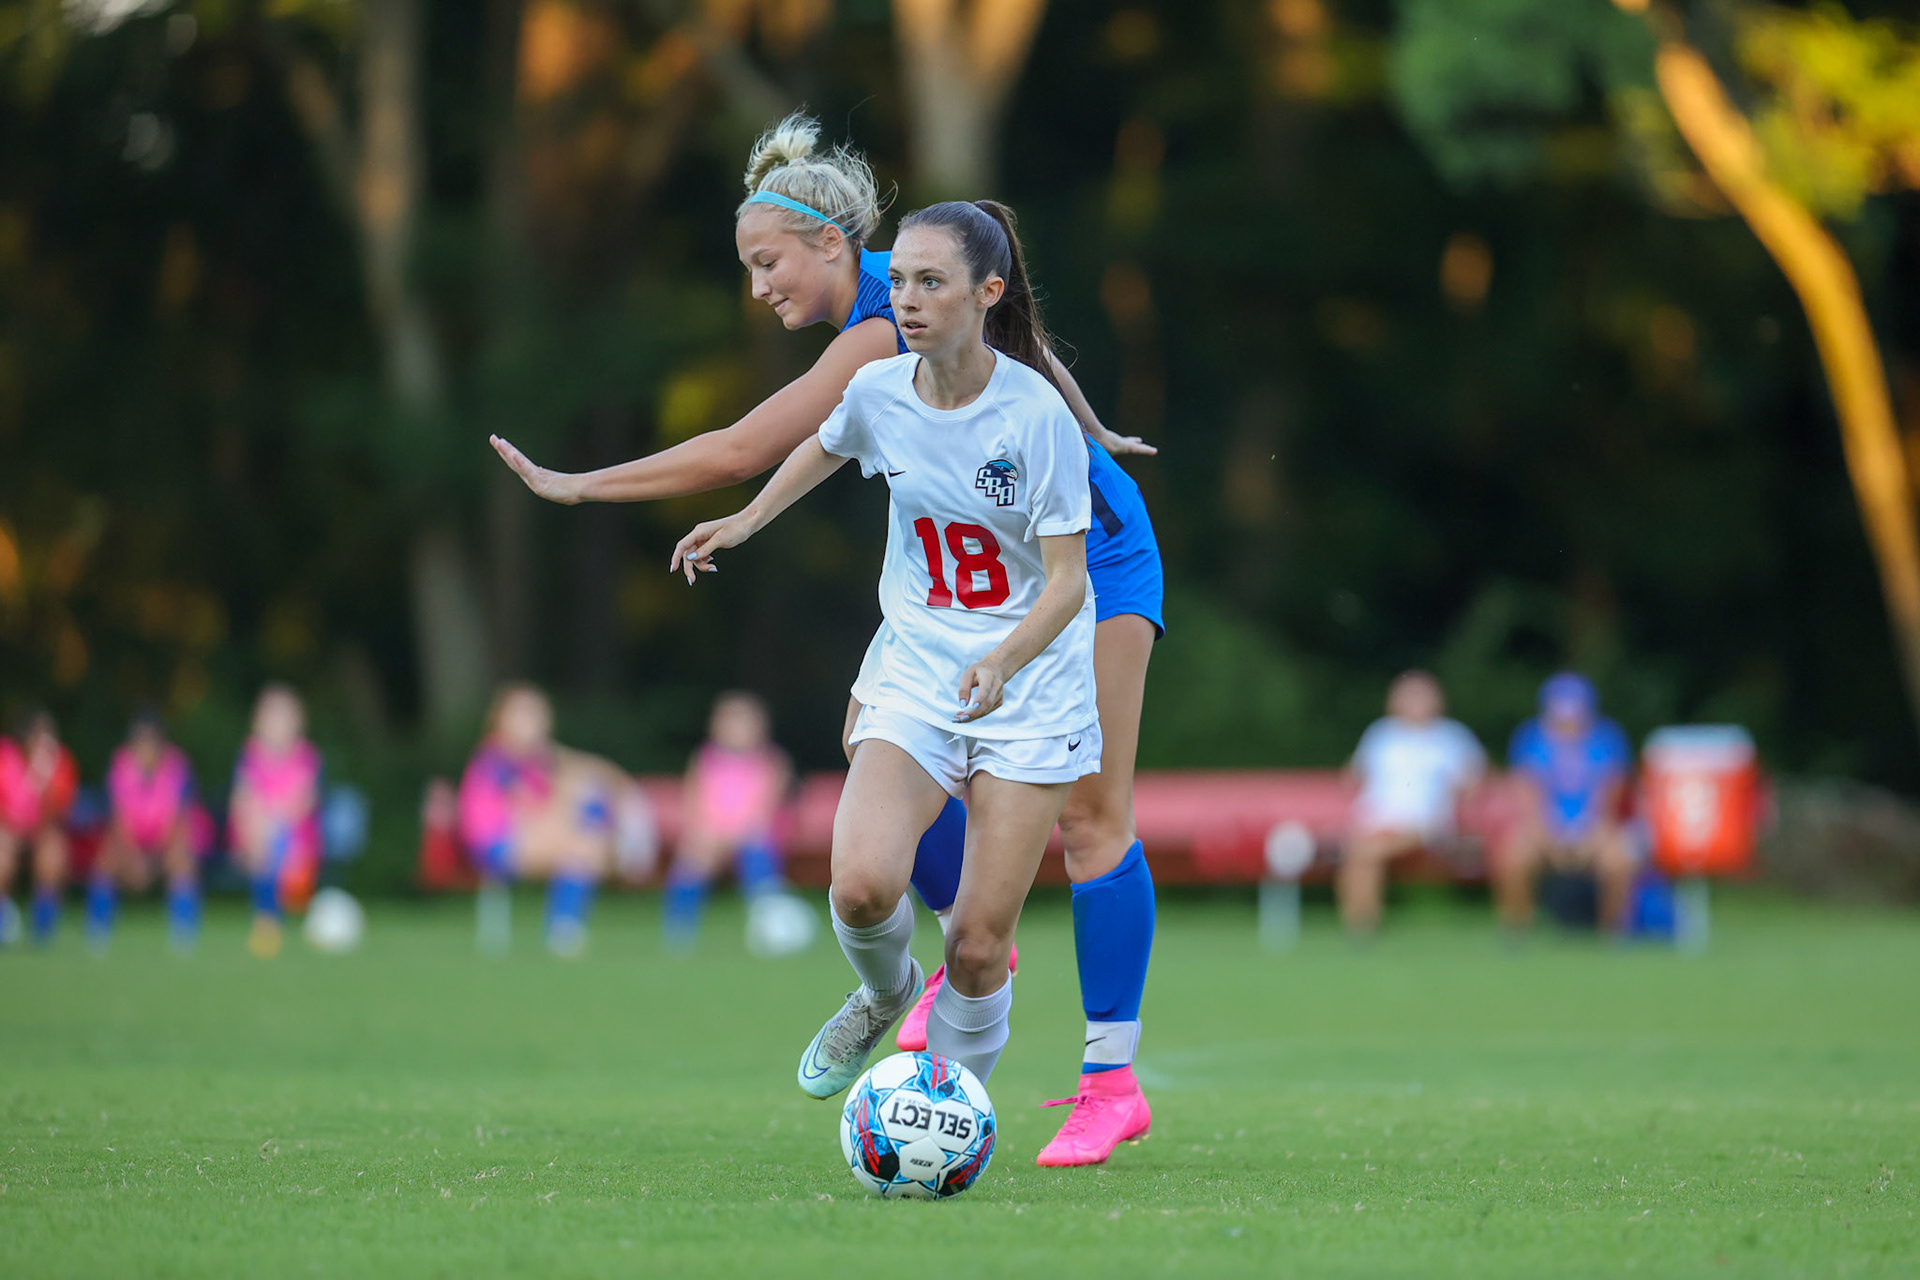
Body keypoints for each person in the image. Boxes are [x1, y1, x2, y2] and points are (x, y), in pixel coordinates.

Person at [492, 115, 1161, 1166]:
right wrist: (1095, 415)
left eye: (768, 262)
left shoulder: (890, 310)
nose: (760, 287)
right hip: (959, 605)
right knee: (880, 753)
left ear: (831, 245)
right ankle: (944, 962)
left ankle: (1110, 1079)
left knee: (1091, 820)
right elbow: (1018, 354)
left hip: (1089, 564)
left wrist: (581, 485)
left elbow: (746, 446)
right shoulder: (914, 290)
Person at [671, 198, 1100, 1106]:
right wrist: (745, 520)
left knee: (980, 945)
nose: (906, 299)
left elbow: (1067, 582)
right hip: (918, 669)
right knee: (863, 887)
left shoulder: (1036, 417)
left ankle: (944, 1115)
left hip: (1031, 689)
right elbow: (827, 446)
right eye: (898, 279)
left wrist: (1005, 660)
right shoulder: (877, 390)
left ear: (987, 293)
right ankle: (884, 992)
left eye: (930, 282)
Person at [458, 682, 637, 957]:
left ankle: (564, 925)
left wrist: (617, 791)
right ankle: (563, 926)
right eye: (522, 713)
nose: (531, 722)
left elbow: (594, 770)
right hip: (495, 843)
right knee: (585, 838)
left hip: (531, 835)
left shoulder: (539, 757)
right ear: (500, 719)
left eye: (536, 713)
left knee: (589, 822)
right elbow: (524, 807)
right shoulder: (497, 759)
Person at [1337, 671, 1486, 935]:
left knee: (1363, 852)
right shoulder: (1380, 734)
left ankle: (1361, 927)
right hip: (1377, 820)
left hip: (1426, 825)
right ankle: (1361, 924)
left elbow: (1475, 780)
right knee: (1361, 852)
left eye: (1422, 695)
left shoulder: (1452, 738)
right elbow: (1354, 774)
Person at [1497, 672, 1636, 932]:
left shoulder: (1608, 738)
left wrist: (1591, 835)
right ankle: (1517, 929)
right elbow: (1526, 795)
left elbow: (1610, 800)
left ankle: (1613, 932)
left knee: (1619, 860)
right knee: (1513, 856)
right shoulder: (1530, 738)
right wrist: (1546, 835)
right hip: (1543, 827)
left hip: (1593, 828)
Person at [663, 690, 796, 950]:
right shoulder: (705, 759)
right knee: (692, 858)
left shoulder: (771, 762)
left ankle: (766, 919)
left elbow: (766, 806)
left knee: (756, 846)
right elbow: (695, 801)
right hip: (712, 833)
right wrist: (704, 832)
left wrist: (733, 833)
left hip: (755, 833)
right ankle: (679, 927)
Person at [91, 707, 208, 952]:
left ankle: (184, 932)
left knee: (182, 860)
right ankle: (98, 930)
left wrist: (155, 858)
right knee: (106, 859)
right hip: (131, 843)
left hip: (166, 843)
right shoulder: (119, 767)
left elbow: (179, 820)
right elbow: (118, 821)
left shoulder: (178, 767)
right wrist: (133, 857)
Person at [227, 684, 322, 958]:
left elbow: (303, 802)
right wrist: (250, 830)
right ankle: (267, 922)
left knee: (270, 833)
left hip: (298, 844)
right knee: (260, 833)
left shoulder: (306, 757)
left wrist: (272, 821)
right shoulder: (250, 756)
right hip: (258, 840)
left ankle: (274, 916)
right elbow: (242, 800)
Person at [0, 709, 79, 947]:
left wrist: (44, 780)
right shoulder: (5, 757)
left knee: (53, 852)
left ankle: (43, 922)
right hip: (9, 829)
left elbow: (60, 811)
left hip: (42, 831)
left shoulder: (61, 762)